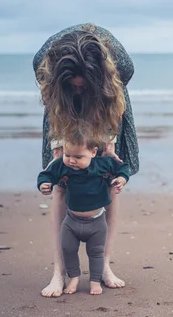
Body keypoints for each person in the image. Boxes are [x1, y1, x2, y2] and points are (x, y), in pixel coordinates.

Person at [33, 23, 139, 297]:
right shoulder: (45, 65)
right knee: (61, 182)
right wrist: (58, 148)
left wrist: (109, 142)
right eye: (74, 85)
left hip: (104, 105)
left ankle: (102, 266)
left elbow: (114, 101)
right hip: (61, 107)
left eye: (83, 86)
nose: (79, 90)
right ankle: (59, 272)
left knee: (109, 181)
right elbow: (52, 104)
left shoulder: (120, 65)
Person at [37, 134, 130, 295]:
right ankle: (73, 277)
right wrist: (44, 184)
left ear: (93, 153)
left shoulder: (102, 164)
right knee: (68, 249)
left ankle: (95, 280)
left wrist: (122, 178)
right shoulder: (63, 166)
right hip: (71, 222)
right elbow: (47, 173)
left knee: (96, 252)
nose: (72, 160)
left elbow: (122, 167)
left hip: (97, 223)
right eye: (68, 155)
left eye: (78, 157)